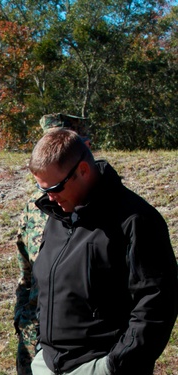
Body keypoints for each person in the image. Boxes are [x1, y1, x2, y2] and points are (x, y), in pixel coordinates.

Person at [28, 128, 177, 374]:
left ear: (83, 171)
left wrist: (114, 366)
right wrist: (41, 351)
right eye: (43, 189)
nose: (50, 198)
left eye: (54, 188)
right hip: (49, 362)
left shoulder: (136, 220)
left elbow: (156, 305)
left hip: (99, 365)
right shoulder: (57, 213)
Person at [14, 113, 89, 375]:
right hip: (37, 335)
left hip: (87, 347)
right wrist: (24, 319)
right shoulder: (33, 206)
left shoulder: (115, 211)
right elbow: (26, 275)